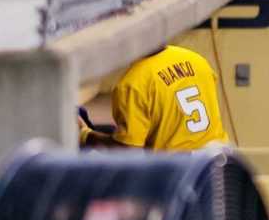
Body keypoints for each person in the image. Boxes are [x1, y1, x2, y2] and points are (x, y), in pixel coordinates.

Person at [79, 42, 231, 151]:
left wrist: (86, 135)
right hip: (221, 161)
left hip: (181, 174)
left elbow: (128, 152)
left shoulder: (132, 84)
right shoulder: (197, 60)